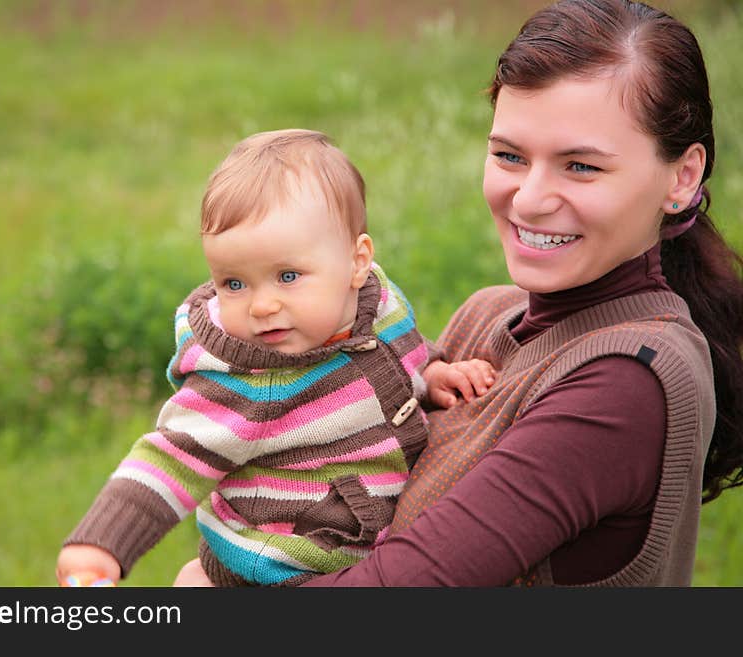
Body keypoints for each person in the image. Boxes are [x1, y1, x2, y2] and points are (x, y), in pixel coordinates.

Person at [173, 0, 743, 588]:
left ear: (682, 177)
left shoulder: (625, 382)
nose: (528, 199)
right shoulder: (486, 316)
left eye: (580, 167)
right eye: (510, 156)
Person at [56, 129, 496, 586]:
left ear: (357, 262)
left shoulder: (374, 298)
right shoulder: (247, 382)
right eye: (234, 284)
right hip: (282, 568)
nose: (262, 306)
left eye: (287, 276)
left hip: (358, 541)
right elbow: (171, 458)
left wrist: (432, 372)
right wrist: (101, 543)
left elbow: (400, 345)